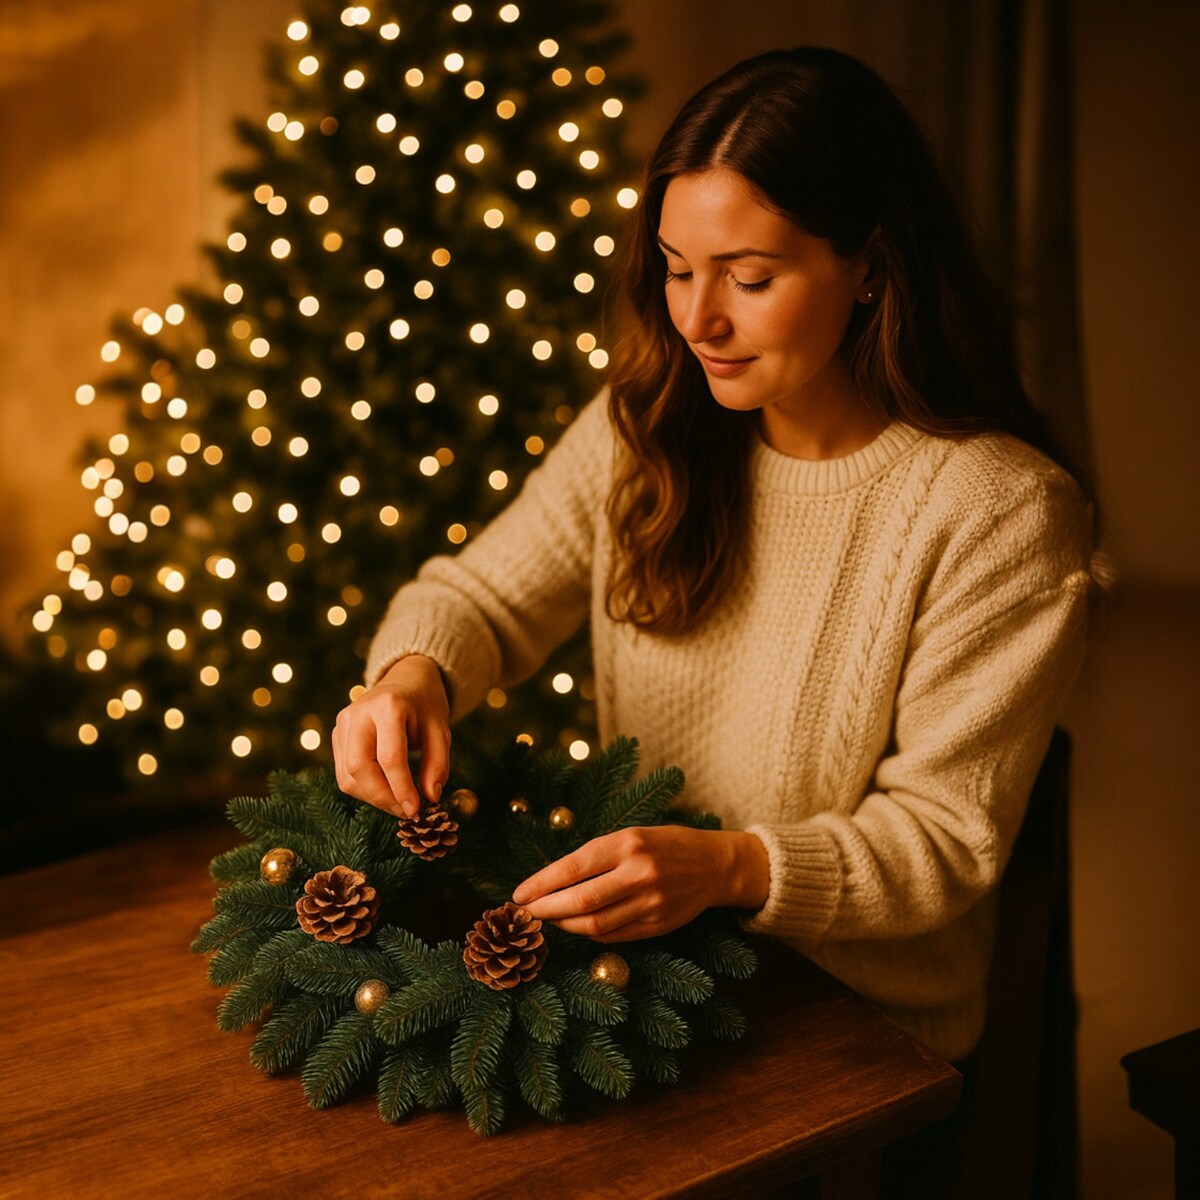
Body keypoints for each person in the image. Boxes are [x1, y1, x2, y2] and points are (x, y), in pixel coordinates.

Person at [333, 45, 1095, 1193]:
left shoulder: (998, 510)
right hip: (638, 961)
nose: (699, 318)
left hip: (855, 1027)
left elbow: (940, 843)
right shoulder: (650, 427)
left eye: (748, 275)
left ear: (871, 268)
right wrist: (412, 674)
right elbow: (478, 597)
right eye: (677, 269)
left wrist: (733, 868)